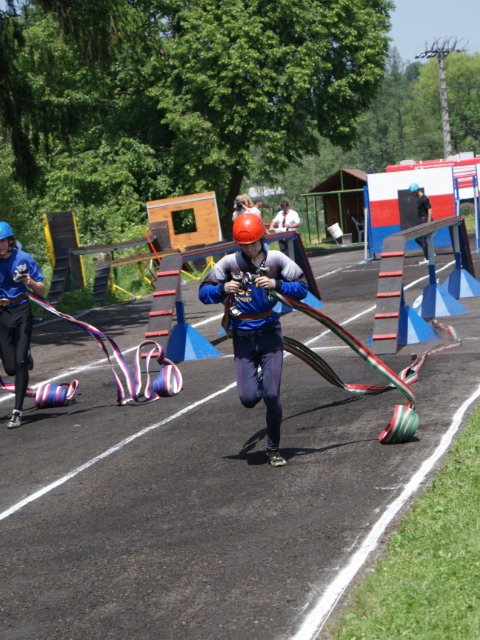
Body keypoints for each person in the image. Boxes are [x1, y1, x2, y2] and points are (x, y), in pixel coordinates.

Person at [198, 214, 308, 467]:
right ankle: (257, 378)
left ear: (262, 238)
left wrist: (277, 284)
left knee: (271, 394)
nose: (250, 248)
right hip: (243, 338)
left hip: (270, 334)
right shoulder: (227, 264)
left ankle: (273, 448)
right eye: (244, 244)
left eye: (254, 243)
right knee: (248, 399)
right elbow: (203, 293)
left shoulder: (276, 259)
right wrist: (221, 290)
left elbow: (302, 287)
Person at [0, 221, 45, 428]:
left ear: (10, 241)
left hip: (21, 311)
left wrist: (29, 282)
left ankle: (17, 411)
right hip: (2, 314)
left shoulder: (24, 259)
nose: (0, 245)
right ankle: (25, 354)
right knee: (9, 367)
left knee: (19, 364)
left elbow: (41, 290)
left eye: (2, 241)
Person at [408, 183, 433, 265]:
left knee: (422, 239)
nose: (412, 195)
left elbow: (429, 209)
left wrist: (428, 221)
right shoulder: (420, 198)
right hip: (420, 220)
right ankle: (429, 254)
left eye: (412, 193)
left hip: (424, 220)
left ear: (415, 191)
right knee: (418, 239)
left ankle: (428, 258)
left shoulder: (424, 198)